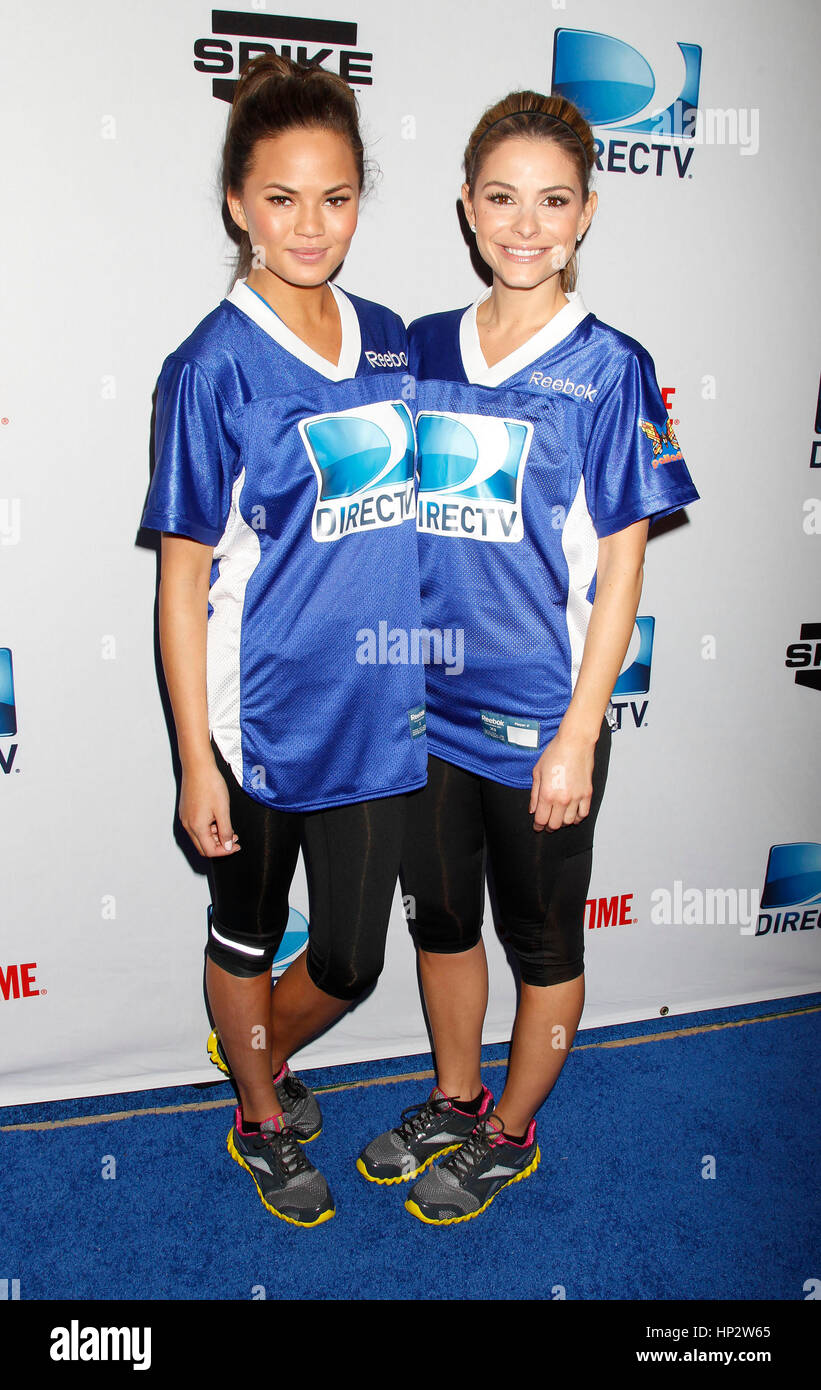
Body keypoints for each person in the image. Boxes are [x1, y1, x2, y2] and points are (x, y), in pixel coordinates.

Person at [357, 90, 699, 1224]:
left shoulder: (609, 370)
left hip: (534, 722)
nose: (524, 223)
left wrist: (575, 735)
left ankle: (510, 1130)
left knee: (541, 943)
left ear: (587, 213)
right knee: (443, 925)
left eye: (551, 201)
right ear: (465, 206)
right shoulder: (415, 348)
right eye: (500, 197)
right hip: (421, 710)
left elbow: (619, 572)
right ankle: (455, 1096)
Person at [141, 54, 425, 1227]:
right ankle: (261, 1109)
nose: (310, 226)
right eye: (280, 198)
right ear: (235, 203)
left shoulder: (397, 338)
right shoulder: (209, 368)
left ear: (361, 196)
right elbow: (180, 582)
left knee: (352, 959)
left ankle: (251, 1057)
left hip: (377, 715)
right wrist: (194, 761)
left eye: (336, 196)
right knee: (247, 934)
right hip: (250, 723)